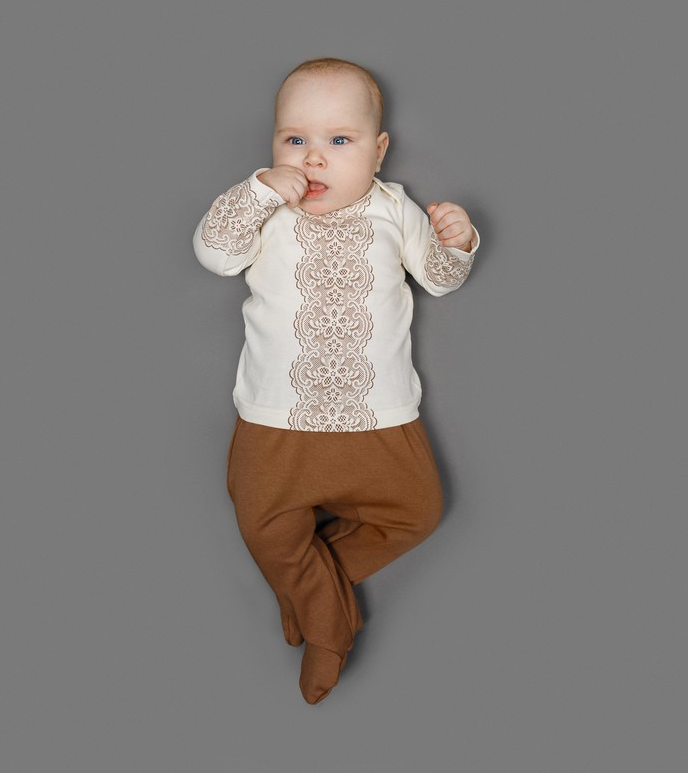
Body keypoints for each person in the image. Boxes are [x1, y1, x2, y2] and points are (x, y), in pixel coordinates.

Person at [192, 57, 481, 704]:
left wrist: (456, 242)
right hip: (276, 420)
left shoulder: (393, 208)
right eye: (294, 139)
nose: (313, 157)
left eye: (339, 140)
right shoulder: (266, 207)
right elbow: (214, 253)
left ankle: (307, 589)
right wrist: (260, 190)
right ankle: (329, 630)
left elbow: (438, 278)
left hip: (378, 418)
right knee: (263, 525)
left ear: (378, 152)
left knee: (419, 513)